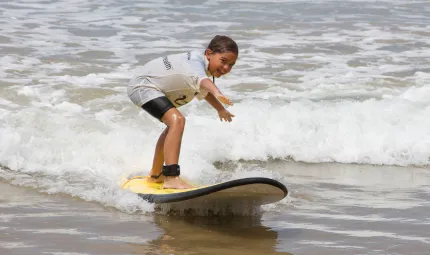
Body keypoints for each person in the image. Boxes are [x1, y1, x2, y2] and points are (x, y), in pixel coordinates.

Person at [127, 35, 238, 189]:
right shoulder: (195, 63)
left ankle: (156, 175)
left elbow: (203, 90)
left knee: (172, 127)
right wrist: (218, 92)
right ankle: (172, 177)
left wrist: (220, 109)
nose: (226, 68)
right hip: (143, 87)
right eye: (223, 61)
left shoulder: (200, 64)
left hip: (152, 89)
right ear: (209, 53)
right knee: (177, 121)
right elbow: (203, 83)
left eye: (231, 65)